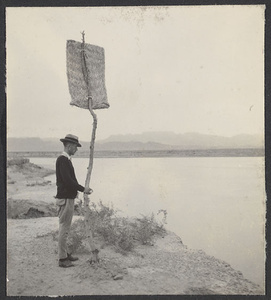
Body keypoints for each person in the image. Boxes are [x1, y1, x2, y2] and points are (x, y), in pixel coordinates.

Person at [55, 134, 92, 268]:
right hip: (65, 199)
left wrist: (81, 189)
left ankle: (64, 254)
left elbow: (70, 181)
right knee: (64, 228)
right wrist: (84, 189)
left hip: (67, 198)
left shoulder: (66, 160)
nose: (76, 149)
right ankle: (62, 259)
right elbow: (69, 181)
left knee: (65, 228)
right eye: (75, 147)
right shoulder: (63, 160)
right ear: (69, 146)